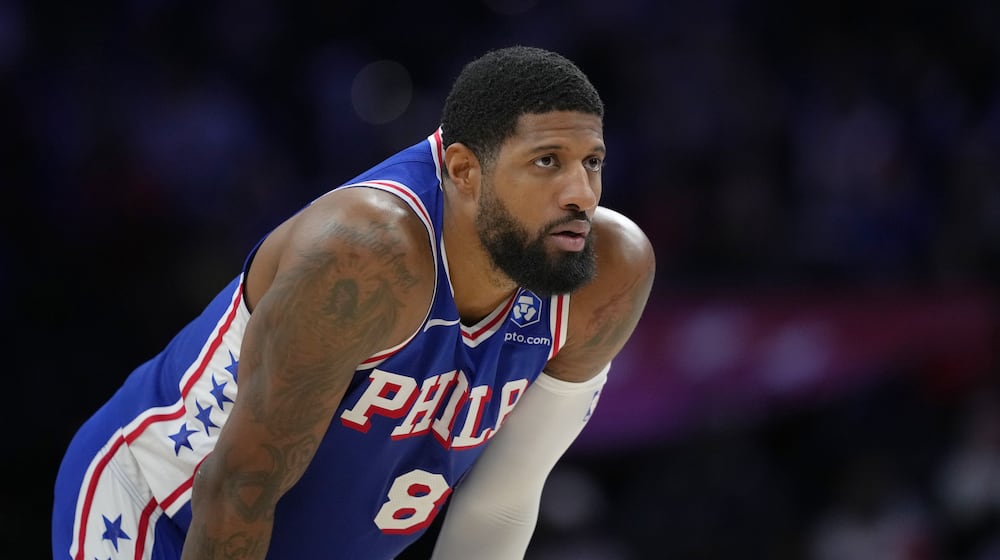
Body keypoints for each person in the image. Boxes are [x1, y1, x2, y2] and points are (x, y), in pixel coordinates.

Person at [52, 45, 656, 559]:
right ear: (465, 170)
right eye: (547, 162)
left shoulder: (609, 270)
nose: (581, 193)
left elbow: (499, 503)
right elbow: (237, 490)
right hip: (162, 514)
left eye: (592, 162)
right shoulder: (368, 254)